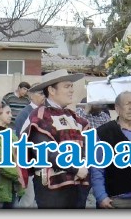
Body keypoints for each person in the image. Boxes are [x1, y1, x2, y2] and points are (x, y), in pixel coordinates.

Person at [24, 69, 90, 208]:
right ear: (51, 90)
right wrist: (76, 169)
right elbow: (46, 152)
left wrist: (84, 165)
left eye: (72, 86)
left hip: (76, 187)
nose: (71, 90)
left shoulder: (73, 116)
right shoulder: (39, 116)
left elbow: (85, 145)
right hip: (52, 192)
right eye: (67, 86)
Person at [91, 91, 131, 209]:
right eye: (127, 104)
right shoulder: (104, 132)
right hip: (118, 198)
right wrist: (101, 196)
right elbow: (97, 167)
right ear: (117, 108)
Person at [14, 83, 45, 209]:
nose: (44, 96)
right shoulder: (25, 114)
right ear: (31, 95)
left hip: (42, 163)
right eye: (40, 93)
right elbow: (21, 140)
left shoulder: (45, 112)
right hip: (29, 162)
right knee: (28, 200)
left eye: (44, 93)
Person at [0, 104, 25, 208]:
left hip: (15, 187)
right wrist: (19, 176)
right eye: (7, 113)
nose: (11, 115)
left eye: (11, 113)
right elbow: (0, 163)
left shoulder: (11, 133)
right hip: (1, 186)